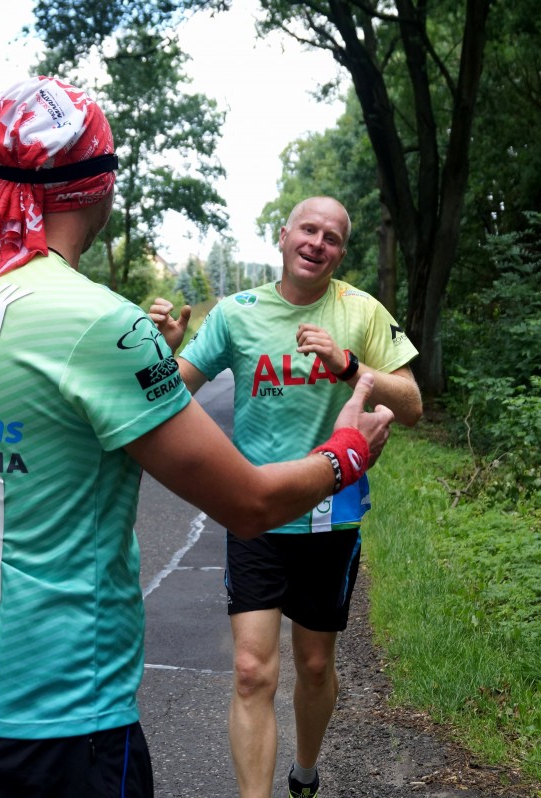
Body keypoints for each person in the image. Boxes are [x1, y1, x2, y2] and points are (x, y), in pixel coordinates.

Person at [0, 77, 395, 798]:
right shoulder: (101, 322)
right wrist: (348, 453)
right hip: (73, 731)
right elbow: (248, 504)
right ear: (99, 187)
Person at [148, 196, 423, 798]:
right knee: (252, 672)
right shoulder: (236, 313)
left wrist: (349, 367)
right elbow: (170, 395)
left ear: (341, 252)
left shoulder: (361, 310)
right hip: (257, 511)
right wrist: (163, 351)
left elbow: (412, 405)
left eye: (332, 236)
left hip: (331, 516)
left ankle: (304, 775)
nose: (317, 243)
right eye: (308, 229)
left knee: (316, 666)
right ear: (283, 235)